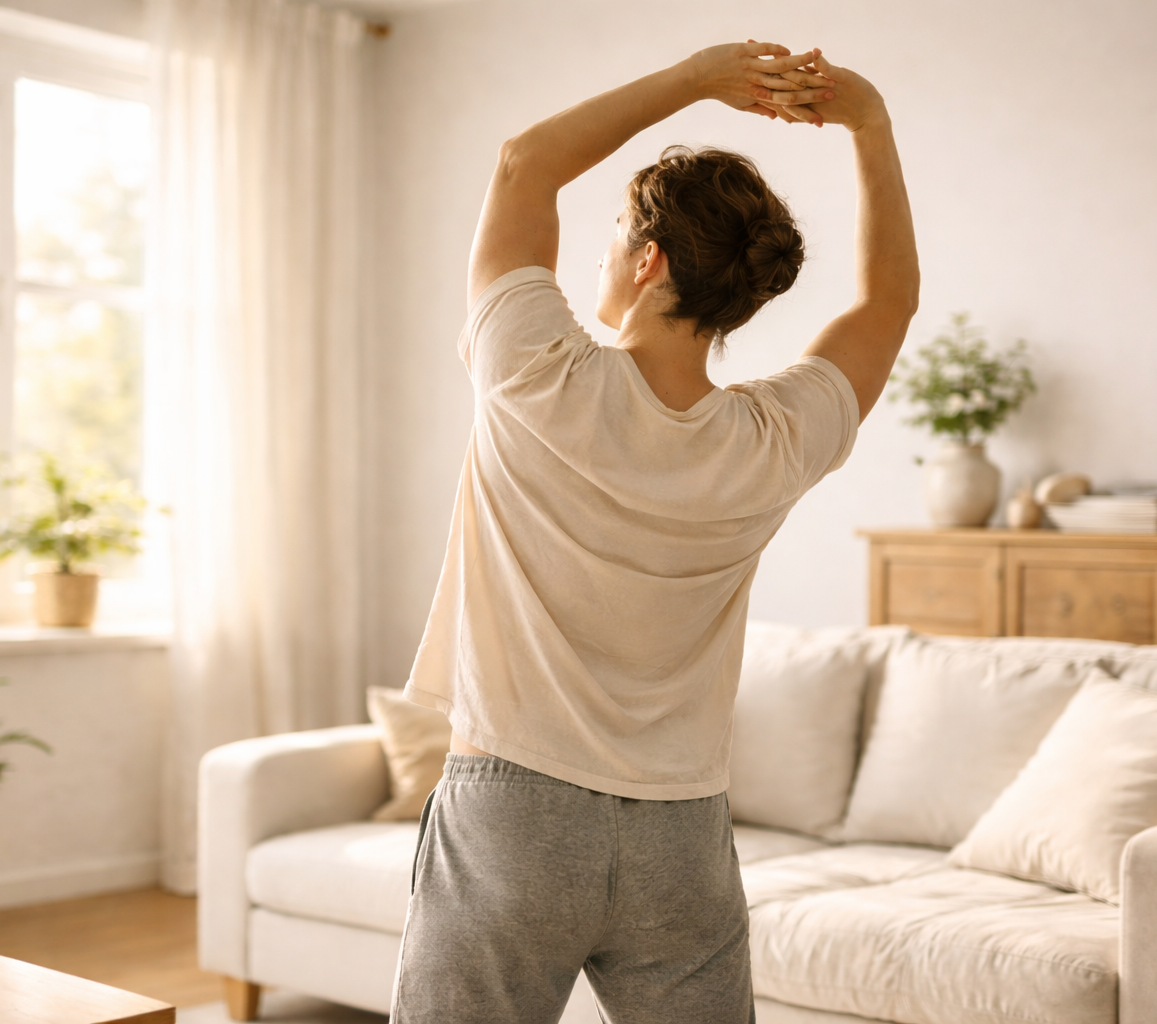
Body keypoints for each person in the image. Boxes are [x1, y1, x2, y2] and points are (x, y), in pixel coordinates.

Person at [393, 40, 919, 1024]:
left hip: (515, 812)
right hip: (682, 833)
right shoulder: (772, 442)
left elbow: (523, 164)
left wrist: (696, 77)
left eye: (614, 238)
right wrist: (870, 120)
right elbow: (888, 303)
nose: (599, 257)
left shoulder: (535, 373)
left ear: (648, 259)